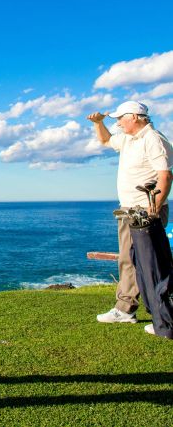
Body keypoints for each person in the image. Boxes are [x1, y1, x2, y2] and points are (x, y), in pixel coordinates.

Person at [87, 100, 173, 335]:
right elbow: (105, 140)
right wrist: (98, 123)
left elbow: (166, 176)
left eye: (120, 119)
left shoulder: (153, 139)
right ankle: (126, 309)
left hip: (145, 210)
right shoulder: (128, 138)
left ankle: (162, 315)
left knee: (150, 262)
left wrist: (153, 208)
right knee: (128, 259)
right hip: (129, 209)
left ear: (135, 117)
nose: (118, 123)